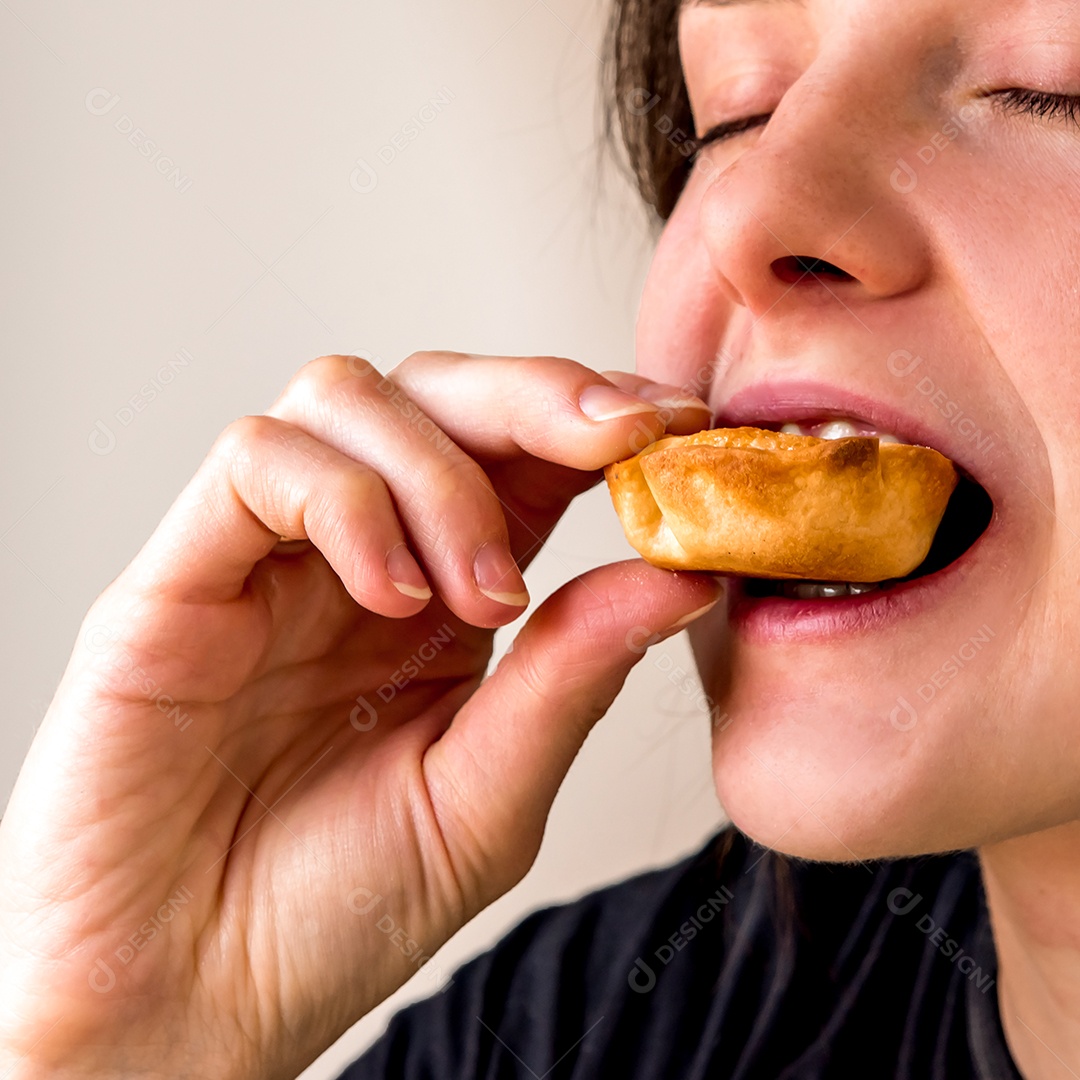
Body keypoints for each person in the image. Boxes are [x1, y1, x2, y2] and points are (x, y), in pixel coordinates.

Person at [1, 0, 1077, 1075]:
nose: (749, 208)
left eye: (1050, 81)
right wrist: (133, 1040)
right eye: (734, 114)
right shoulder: (576, 1035)